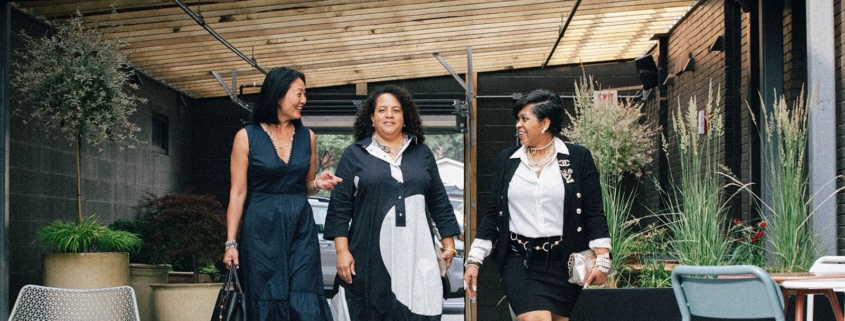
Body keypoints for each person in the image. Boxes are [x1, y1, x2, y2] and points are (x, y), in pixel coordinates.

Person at [463, 89, 611, 321]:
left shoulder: (577, 158)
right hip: (520, 260)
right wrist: (474, 260)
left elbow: (594, 213)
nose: (518, 125)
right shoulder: (508, 160)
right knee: (535, 318)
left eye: (524, 119)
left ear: (545, 123)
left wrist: (602, 261)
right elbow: (493, 213)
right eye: (517, 119)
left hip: (564, 262)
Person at [323, 85, 461, 321]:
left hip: (418, 254)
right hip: (368, 257)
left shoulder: (422, 153)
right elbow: (340, 207)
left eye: (396, 110)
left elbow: (439, 201)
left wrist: (448, 245)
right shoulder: (355, 154)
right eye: (382, 110)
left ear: (405, 117)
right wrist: (341, 252)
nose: (389, 115)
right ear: (372, 118)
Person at [222, 67, 342, 321]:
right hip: (261, 232)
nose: (303, 101)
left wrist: (318, 183)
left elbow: (306, 185)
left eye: (304, 94)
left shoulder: (307, 136)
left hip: (301, 228)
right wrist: (231, 243)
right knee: (266, 296)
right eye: (298, 94)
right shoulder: (246, 137)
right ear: (278, 95)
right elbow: (238, 193)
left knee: (304, 296)